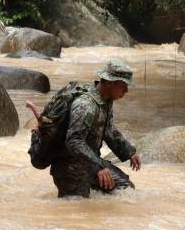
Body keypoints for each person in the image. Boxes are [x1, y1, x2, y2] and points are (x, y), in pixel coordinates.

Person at [50, 59, 142, 198]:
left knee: (125, 189)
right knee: (78, 211)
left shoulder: (105, 100)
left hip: (89, 163)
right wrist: (98, 167)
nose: (126, 91)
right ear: (110, 83)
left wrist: (129, 152)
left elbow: (108, 131)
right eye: (123, 85)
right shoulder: (85, 105)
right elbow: (74, 141)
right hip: (69, 168)